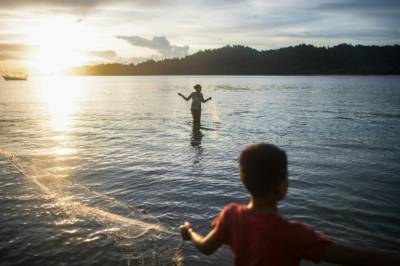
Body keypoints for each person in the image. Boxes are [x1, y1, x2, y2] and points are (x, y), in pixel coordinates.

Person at [179, 143, 399, 266]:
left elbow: (206, 248)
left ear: (244, 181)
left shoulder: (231, 215)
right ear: (281, 186)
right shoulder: (295, 234)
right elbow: (360, 258)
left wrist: (189, 232)